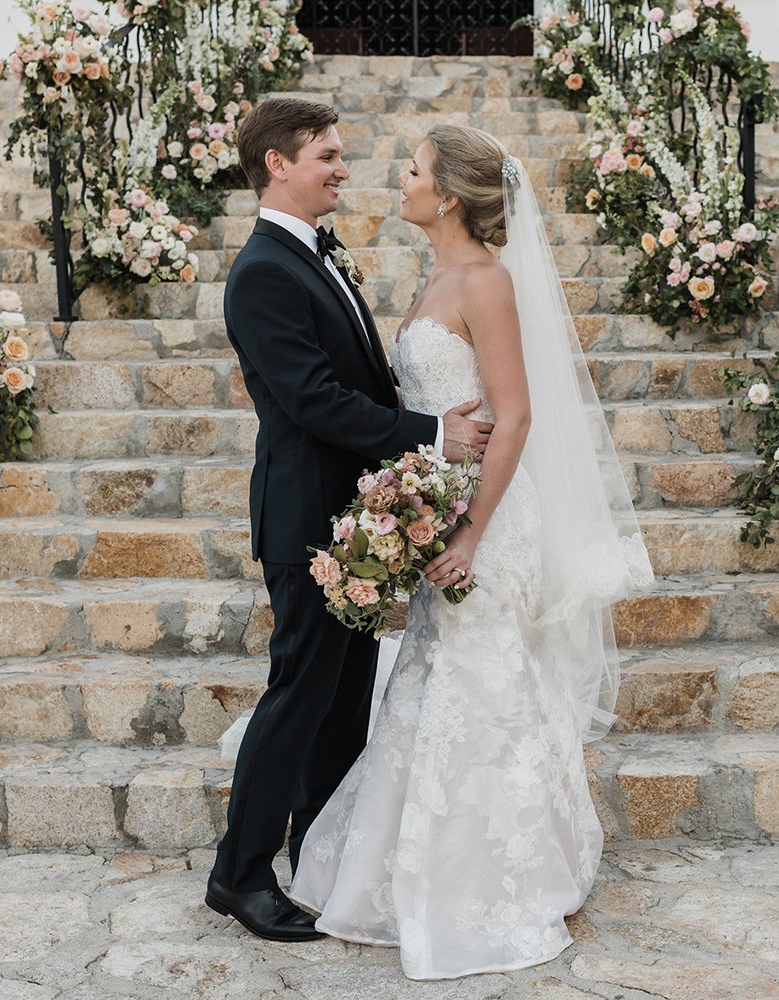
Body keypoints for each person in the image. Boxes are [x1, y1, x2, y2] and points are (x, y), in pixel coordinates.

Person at [287, 124, 652, 979]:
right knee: (432, 681)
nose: (398, 181)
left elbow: (515, 415)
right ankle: (421, 861)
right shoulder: (438, 275)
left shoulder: (485, 280)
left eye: (411, 171)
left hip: (482, 521)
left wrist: (468, 533)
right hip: (439, 508)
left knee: (478, 682)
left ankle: (498, 874)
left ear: (447, 194)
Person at [205, 98, 494, 943]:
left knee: (342, 701)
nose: (341, 167)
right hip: (308, 519)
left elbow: (359, 386)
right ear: (276, 166)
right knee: (299, 696)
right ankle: (240, 874)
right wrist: (435, 434)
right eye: (325, 155)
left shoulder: (319, 255)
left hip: (360, 519)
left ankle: (323, 861)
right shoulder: (263, 271)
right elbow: (314, 403)